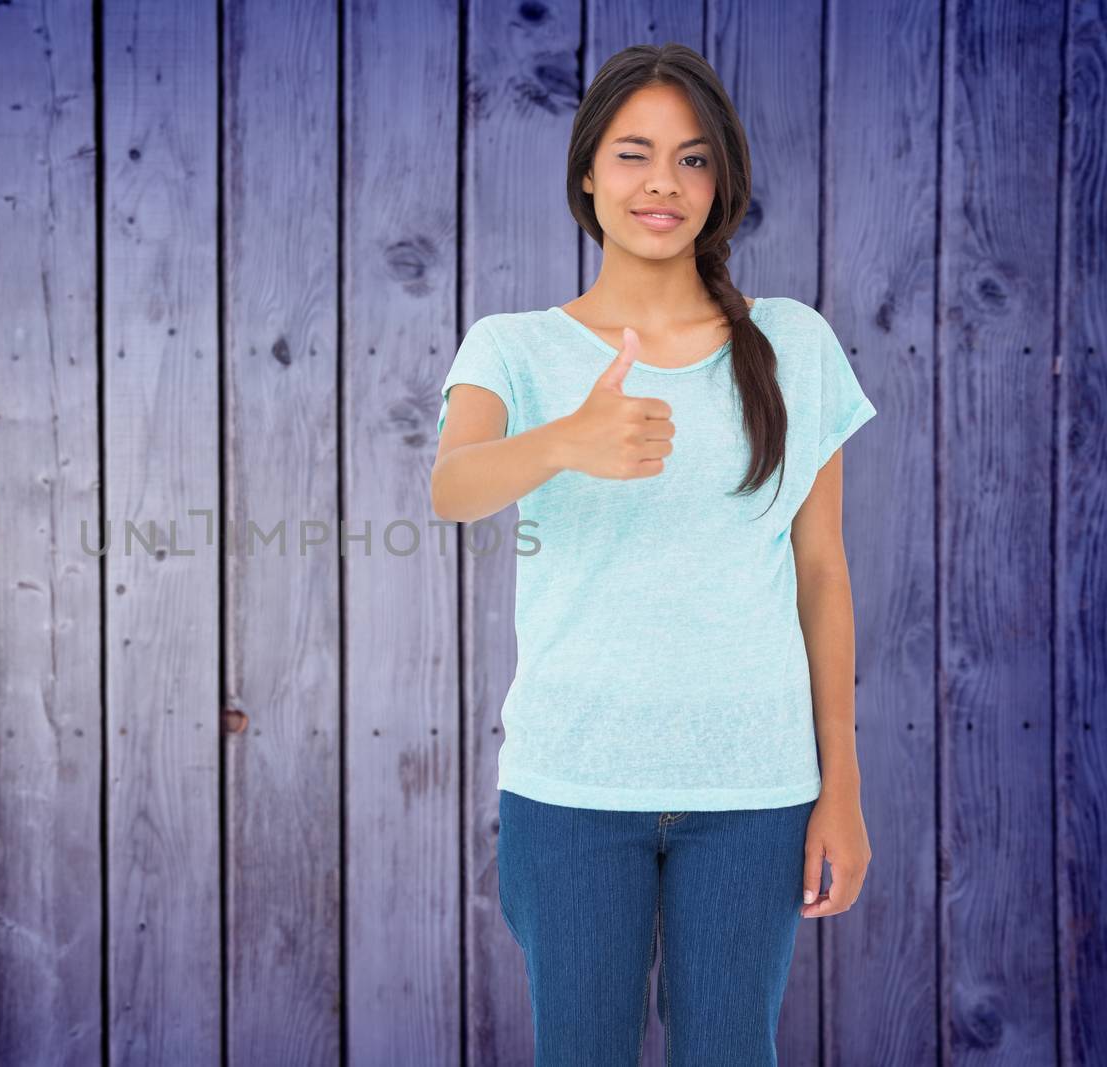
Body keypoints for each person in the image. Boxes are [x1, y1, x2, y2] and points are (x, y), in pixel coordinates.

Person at [430, 44, 876, 1065]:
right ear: (587, 173)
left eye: (693, 159)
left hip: (756, 792)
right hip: (572, 785)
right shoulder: (514, 346)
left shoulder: (794, 344)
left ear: (722, 184)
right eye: (633, 154)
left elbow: (821, 570)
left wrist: (838, 784)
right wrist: (564, 443)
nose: (662, 184)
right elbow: (451, 487)